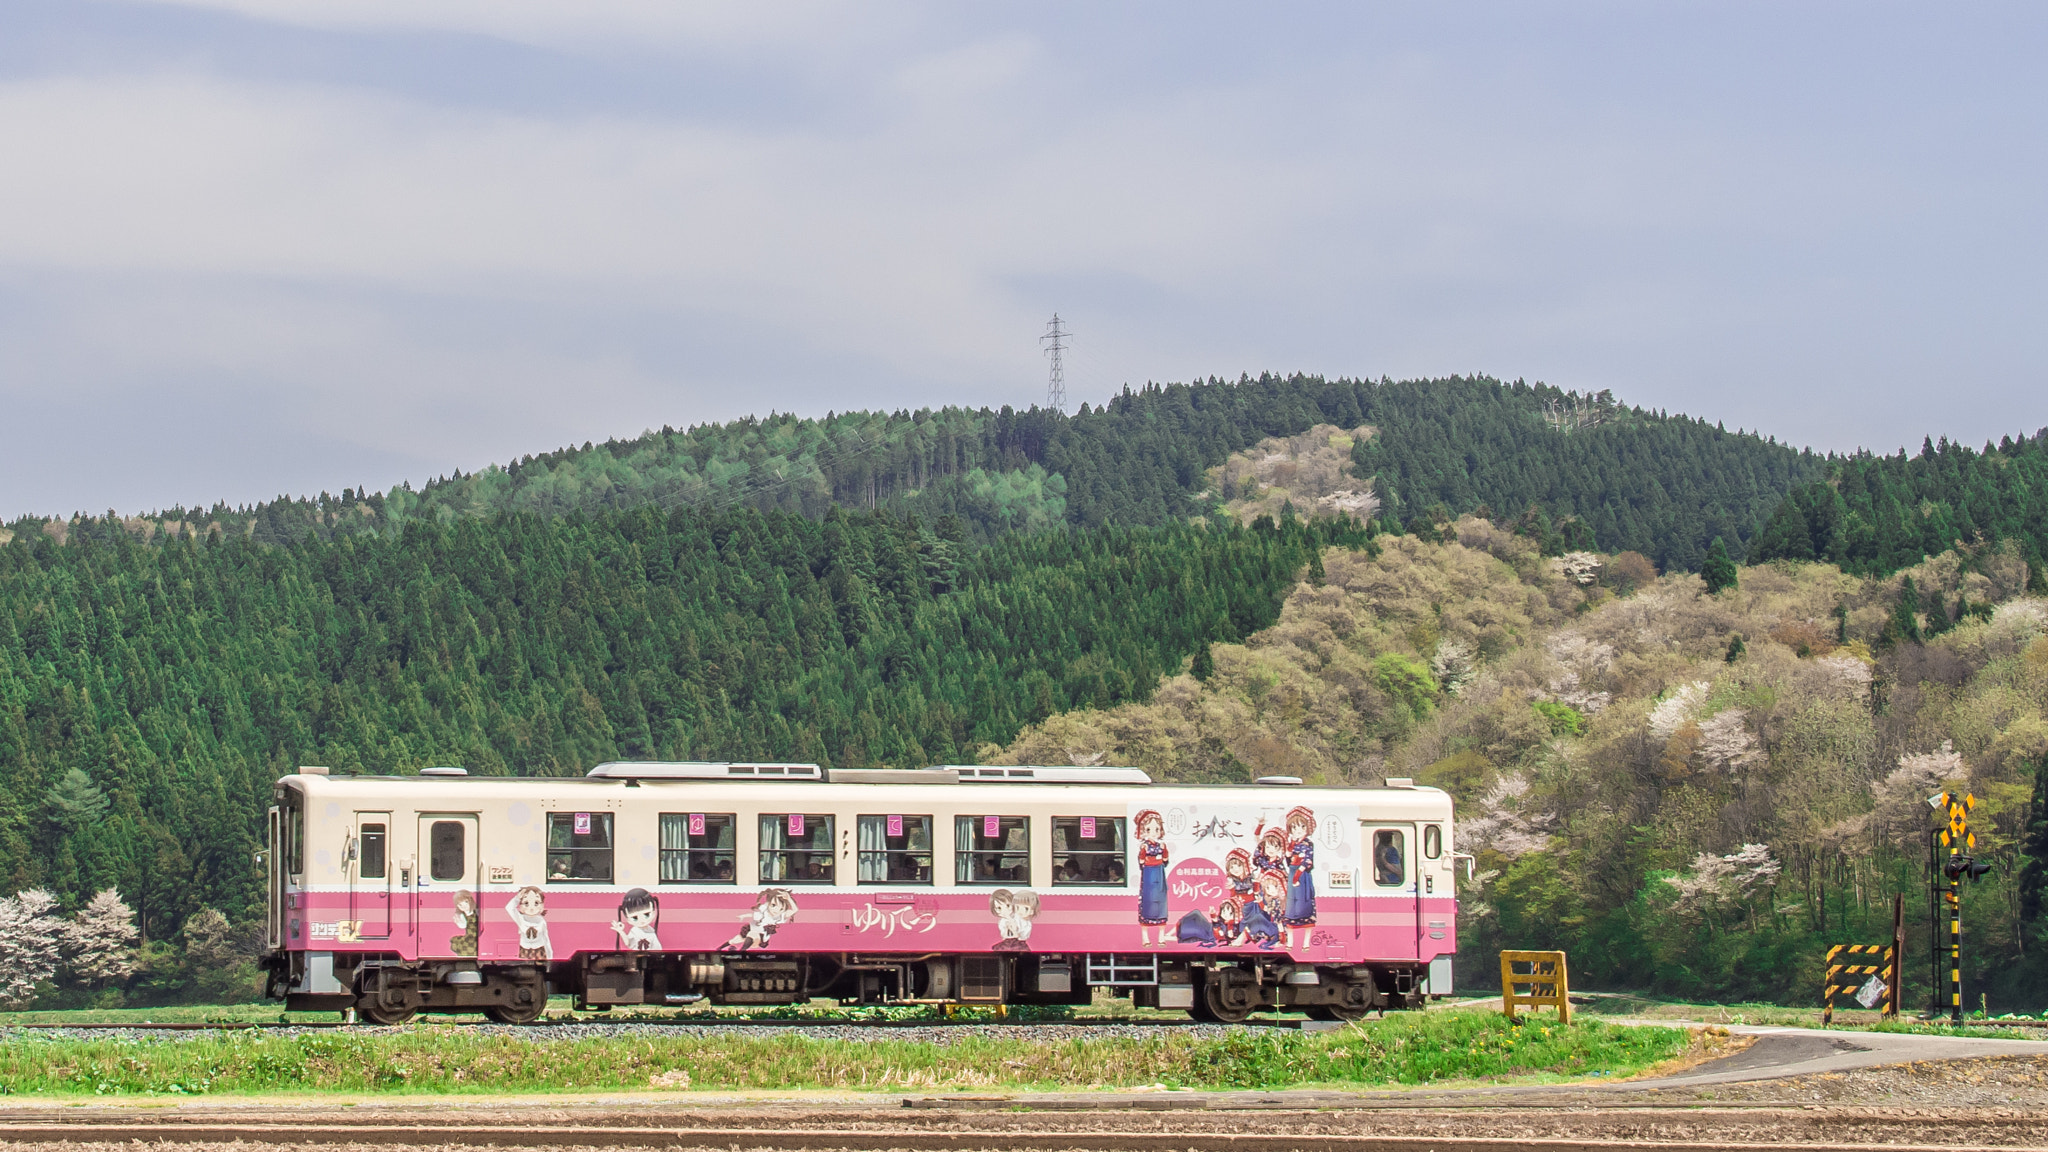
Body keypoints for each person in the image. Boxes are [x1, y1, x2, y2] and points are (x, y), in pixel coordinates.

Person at [1280, 806, 1319, 948]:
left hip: (1302, 877)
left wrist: (1297, 876)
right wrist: (1290, 848)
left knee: (1305, 907)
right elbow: (1288, 860)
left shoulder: (1308, 844)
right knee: (1291, 909)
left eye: (1302, 826)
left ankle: (1306, 943)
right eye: (1294, 827)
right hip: (1293, 875)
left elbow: (1308, 861)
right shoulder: (1292, 844)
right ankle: (1290, 942)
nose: (1298, 830)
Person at [1134, 809, 1169, 945]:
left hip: (1158, 873)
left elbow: (1165, 859)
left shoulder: (1161, 845)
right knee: (1148, 903)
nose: (1153, 833)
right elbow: (1142, 861)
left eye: (1157, 829)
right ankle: (1145, 937)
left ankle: (1161, 936)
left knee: (1161, 903)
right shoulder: (1144, 846)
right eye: (1149, 830)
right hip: (1149, 874)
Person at [506, 886, 551, 960]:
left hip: (539, 949)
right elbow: (509, 908)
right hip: (525, 949)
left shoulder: (541, 921)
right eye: (526, 903)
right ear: (520, 905)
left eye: (536, 903)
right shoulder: (520, 918)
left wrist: (549, 955)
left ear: (542, 905)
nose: (531, 908)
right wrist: (517, 898)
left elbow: (546, 938)